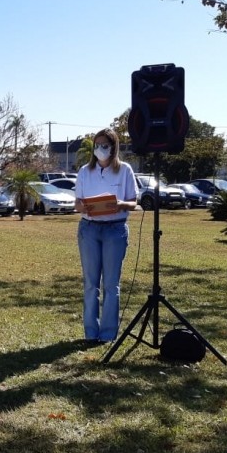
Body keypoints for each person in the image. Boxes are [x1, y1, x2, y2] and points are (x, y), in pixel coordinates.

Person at [74, 128, 139, 344]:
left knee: (111, 284)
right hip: (90, 229)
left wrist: (120, 204)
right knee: (91, 283)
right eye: (97, 145)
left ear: (113, 147)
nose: (100, 149)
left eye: (105, 145)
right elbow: (77, 203)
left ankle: (108, 334)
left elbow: (134, 201)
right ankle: (91, 332)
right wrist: (84, 207)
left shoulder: (125, 170)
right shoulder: (85, 171)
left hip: (115, 229)